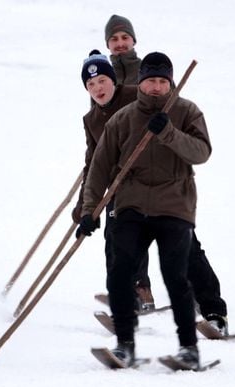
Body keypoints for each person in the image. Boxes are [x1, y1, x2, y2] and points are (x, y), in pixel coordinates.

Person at [76, 52, 211, 369]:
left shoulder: (187, 111)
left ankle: (189, 349)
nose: (155, 87)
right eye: (150, 80)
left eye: (162, 81)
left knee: (175, 276)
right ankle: (125, 345)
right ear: (141, 83)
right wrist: (88, 211)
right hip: (131, 203)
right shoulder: (122, 119)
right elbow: (99, 169)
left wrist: (169, 133)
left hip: (173, 203)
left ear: (170, 83)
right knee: (120, 273)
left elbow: (202, 152)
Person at [72, 50, 155, 312]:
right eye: (90, 84)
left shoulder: (132, 95)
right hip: (119, 188)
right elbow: (93, 165)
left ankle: (143, 291)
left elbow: (164, 99)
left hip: (153, 178)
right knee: (114, 238)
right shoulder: (91, 119)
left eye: (102, 81)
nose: (97, 88)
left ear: (113, 80)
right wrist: (86, 209)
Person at [104, 14, 141, 85]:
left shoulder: (148, 72)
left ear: (133, 41)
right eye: (114, 39)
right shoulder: (104, 79)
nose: (120, 44)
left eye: (125, 38)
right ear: (108, 44)